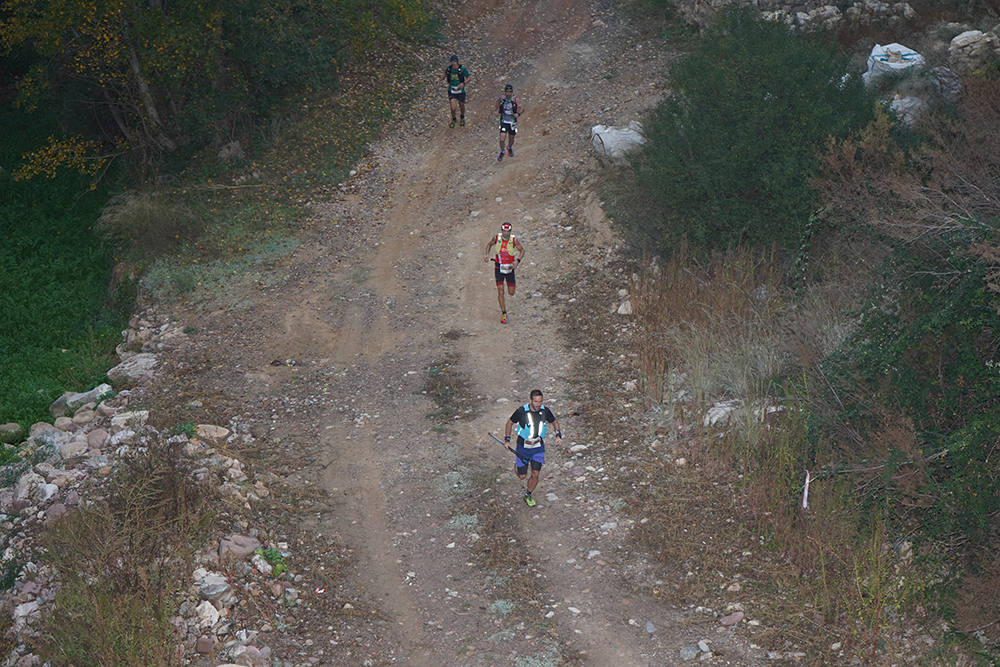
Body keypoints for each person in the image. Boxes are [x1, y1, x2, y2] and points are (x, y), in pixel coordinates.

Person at [504, 389, 563, 507]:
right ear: (530, 400)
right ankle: (518, 467)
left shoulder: (545, 411)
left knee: (535, 473)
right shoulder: (521, 411)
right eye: (536, 401)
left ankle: (528, 494)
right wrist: (507, 439)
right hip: (523, 447)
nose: (538, 404)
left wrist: (558, 435)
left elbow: (555, 422)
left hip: (538, 447)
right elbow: (509, 423)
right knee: (522, 476)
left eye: (540, 401)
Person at [483, 222, 524, 324]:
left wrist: (517, 261)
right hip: (499, 268)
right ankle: (504, 313)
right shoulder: (497, 238)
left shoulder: (514, 240)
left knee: (511, 292)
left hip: (509, 269)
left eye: (508, 231)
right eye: (504, 231)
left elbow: (522, 250)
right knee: (500, 290)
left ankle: (505, 308)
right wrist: (487, 255)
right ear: (501, 231)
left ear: (510, 231)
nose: (506, 233)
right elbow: (489, 244)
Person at [440, 54, 470, 128]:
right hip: (452, 90)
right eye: (452, 62)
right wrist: (439, 81)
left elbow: (469, 78)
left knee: (461, 105)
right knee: (453, 107)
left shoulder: (462, 69)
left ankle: (462, 117)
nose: (454, 63)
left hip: (460, 91)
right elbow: (444, 75)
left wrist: (463, 83)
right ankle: (453, 119)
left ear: (457, 62)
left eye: (455, 62)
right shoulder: (449, 69)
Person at [496, 83, 521, 162]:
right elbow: (496, 103)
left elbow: (521, 107)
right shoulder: (502, 98)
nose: (508, 93)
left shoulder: (515, 99)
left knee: (511, 138)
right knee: (502, 138)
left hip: (512, 121)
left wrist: (518, 114)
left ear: (512, 92)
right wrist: (496, 110)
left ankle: (509, 147)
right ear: (505, 92)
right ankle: (502, 151)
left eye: (510, 92)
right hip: (504, 121)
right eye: (507, 91)